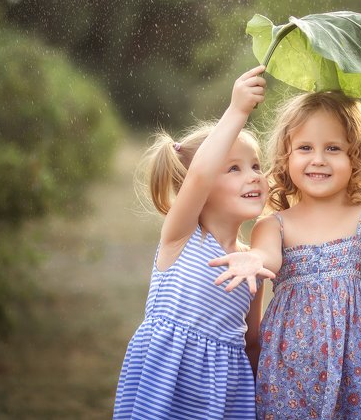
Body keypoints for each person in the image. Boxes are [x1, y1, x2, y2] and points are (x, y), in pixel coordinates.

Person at [210, 90, 361, 419]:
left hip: (355, 363)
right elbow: (267, 257)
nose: (318, 159)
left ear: (356, 156)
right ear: (286, 156)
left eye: (333, 148)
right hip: (289, 366)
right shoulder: (274, 224)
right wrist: (255, 259)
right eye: (304, 148)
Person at [114, 64, 276, 420]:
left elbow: (252, 340)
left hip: (224, 393)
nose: (253, 177)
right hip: (168, 385)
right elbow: (202, 173)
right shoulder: (181, 235)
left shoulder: (252, 262)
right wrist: (237, 111)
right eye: (233, 168)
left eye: (255, 165)